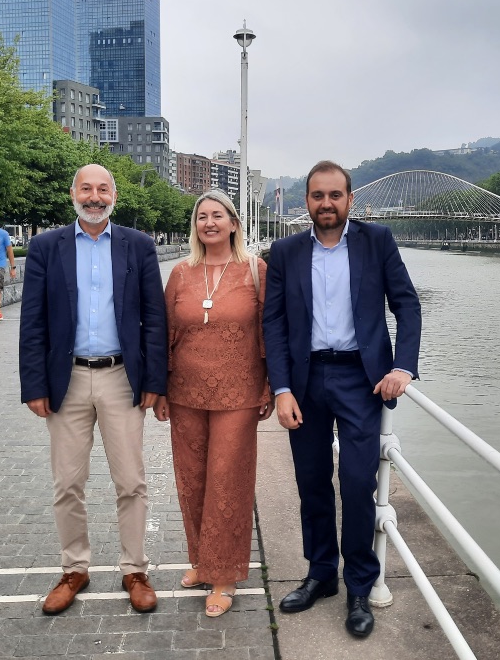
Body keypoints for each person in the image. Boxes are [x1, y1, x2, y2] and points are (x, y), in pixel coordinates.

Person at [263, 160, 422, 639]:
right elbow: (272, 322)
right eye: (317, 196)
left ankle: (358, 586)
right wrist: (282, 388)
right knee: (311, 483)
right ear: (306, 201)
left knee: (356, 485)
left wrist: (403, 366)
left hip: (361, 379)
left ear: (350, 199)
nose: (326, 204)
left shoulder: (378, 241)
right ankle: (320, 574)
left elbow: (407, 304)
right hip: (306, 380)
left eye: (335, 195)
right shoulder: (286, 251)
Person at [18, 163, 167, 616]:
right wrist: (34, 384)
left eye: (103, 189)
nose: (95, 196)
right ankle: (74, 568)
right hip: (68, 381)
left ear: (114, 196)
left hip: (123, 379)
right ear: (73, 194)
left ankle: (134, 570)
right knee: (67, 482)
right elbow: (33, 321)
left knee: (131, 482)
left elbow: (155, 319)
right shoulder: (46, 246)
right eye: (87, 188)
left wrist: (155, 382)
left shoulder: (137, 246)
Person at [153, 190, 271, 617]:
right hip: (185, 393)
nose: (209, 223)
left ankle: (223, 575)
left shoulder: (254, 271)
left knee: (227, 481)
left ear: (234, 223)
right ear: (195, 225)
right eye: (201, 216)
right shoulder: (181, 274)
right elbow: (164, 332)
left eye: (217, 215)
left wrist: (271, 385)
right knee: (193, 480)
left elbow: (270, 332)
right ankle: (202, 559)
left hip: (238, 395)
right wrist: (159, 389)